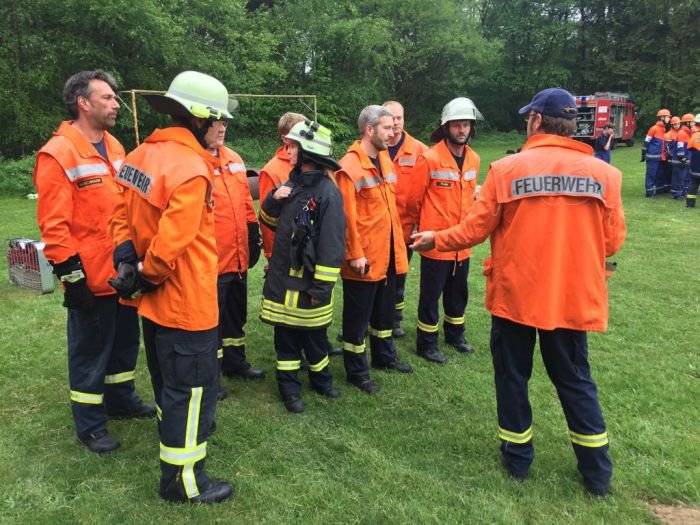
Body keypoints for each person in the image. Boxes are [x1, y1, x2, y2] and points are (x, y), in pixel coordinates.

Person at [411, 88, 626, 497]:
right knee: (576, 381)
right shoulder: (606, 174)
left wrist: (435, 239)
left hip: (517, 297)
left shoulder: (506, 169)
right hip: (572, 295)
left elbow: (475, 230)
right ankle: (597, 474)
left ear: (537, 122)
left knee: (513, 377)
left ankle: (517, 459)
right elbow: (612, 242)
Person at [108, 71, 233, 503]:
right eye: (217, 118)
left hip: (154, 303)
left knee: (168, 385)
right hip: (187, 304)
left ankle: (173, 443)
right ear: (197, 116)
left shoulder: (141, 154)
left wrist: (128, 262)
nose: (222, 127)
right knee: (191, 390)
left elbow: (119, 214)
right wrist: (146, 271)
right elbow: (171, 244)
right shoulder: (192, 168)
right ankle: (183, 482)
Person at [33, 70, 154, 454]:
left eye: (116, 97)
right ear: (83, 103)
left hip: (122, 274)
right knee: (89, 352)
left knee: (123, 345)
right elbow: (54, 226)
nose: (117, 103)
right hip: (90, 278)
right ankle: (89, 424)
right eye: (108, 97)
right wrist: (73, 280)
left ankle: (121, 399)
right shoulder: (58, 153)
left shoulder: (116, 147)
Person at [259, 120, 346, 413]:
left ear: (308, 152)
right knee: (286, 339)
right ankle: (289, 389)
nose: (288, 150)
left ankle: (322, 381)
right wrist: (273, 199)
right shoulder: (290, 185)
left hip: (309, 285)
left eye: (293, 146)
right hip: (284, 281)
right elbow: (270, 224)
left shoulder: (327, 193)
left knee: (315, 337)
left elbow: (332, 246)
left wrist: (321, 288)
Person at [336, 105, 413, 394]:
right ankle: (356, 371)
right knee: (356, 320)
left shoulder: (384, 159)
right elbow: (346, 218)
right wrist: (355, 254)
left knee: (384, 313)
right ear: (370, 130)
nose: (393, 131)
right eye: (386, 127)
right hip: (364, 258)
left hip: (388, 252)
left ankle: (384, 356)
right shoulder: (350, 166)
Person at [405, 97, 482, 364]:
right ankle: (426, 343)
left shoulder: (474, 159)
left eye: (466, 125)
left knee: (458, 292)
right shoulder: (429, 159)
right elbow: (414, 200)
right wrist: (415, 231)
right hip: (434, 243)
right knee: (430, 296)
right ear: (446, 127)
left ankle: (455, 335)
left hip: (462, 242)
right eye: (457, 125)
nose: (462, 130)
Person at [204, 118, 264, 398]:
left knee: (235, 313)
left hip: (237, 256)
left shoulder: (234, 158)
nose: (222, 128)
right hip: (212, 259)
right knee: (211, 321)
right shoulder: (196, 160)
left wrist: (253, 233)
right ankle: (210, 374)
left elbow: (244, 201)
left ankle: (235, 362)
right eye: (216, 123)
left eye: (225, 123)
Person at [382, 100, 429, 339]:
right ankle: (375, 316)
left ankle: (395, 319)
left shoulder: (419, 150)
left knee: (400, 274)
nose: (395, 123)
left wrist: (421, 223)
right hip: (377, 228)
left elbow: (428, 192)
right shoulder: (373, 146)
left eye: (399, 118)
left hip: (405, 227)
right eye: (390, 118)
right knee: (377, 275)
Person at [259, 112, 308, 262]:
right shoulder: (271, 171)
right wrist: (271, 254)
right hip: (283, 252)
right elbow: (266, 218)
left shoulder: (310, 164)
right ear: (284, 139)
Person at [642, 108, 671, 196]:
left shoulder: (663, 129)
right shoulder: (653, 129)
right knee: (651, 174)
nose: (669, 119)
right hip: (653, 157)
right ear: (662, 117)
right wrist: (643, 153)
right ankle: (649, 192)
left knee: (659, 175)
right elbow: (646, 142)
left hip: (659, 157)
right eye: (668, 117)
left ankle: (659, 190)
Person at [666, 116, 686, 199]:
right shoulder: (668, 134)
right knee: (675, 175)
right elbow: (668, 148)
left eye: (678, 124)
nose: (676, 125)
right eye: (674, 124)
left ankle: (676, 190)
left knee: (677, 175)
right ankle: (675, 191)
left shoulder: (682, 132)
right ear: (672, 125)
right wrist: (669, 157)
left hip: (678, 157)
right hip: (673, 157)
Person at [686, 114, 700, 208]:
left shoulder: (694, 135)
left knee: (693, 186)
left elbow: (689, 148)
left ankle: (690, 204)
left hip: (695, 167)